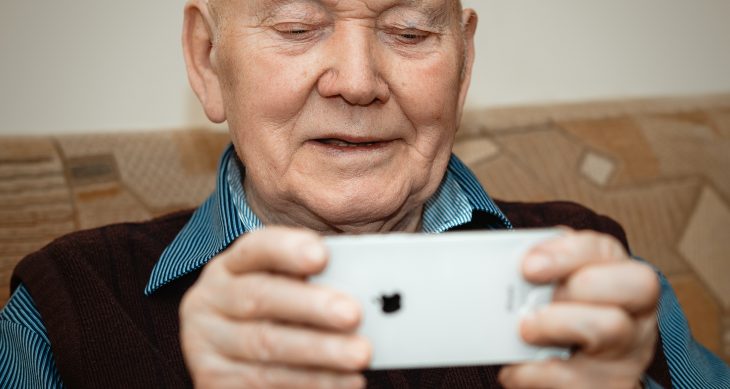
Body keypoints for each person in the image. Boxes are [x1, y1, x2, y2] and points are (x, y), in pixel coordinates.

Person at [1, 0, 728, 388]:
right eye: (297, 25)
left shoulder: (593, 274)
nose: (356, 79)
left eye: (410, 31)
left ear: (464, 61)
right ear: (206, 59)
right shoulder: (64, 308)